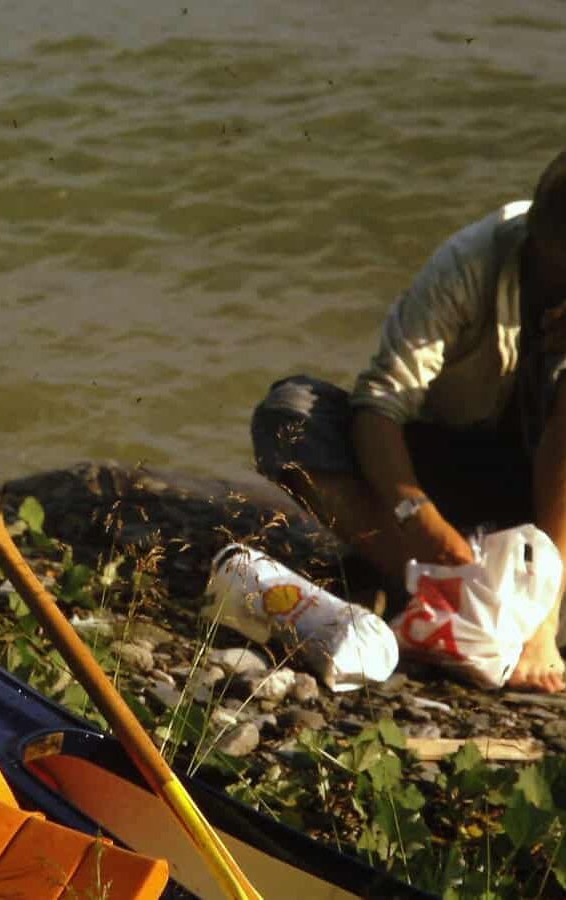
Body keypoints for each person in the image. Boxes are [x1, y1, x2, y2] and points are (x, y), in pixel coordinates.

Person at [251, 150, 566, 693]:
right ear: (541, 244)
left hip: (550, 509)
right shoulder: (473, 261)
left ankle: (534, 627)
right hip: (453, 463)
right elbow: (379, 404)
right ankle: (432, 592)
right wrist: (415, 512)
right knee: (289, 417)